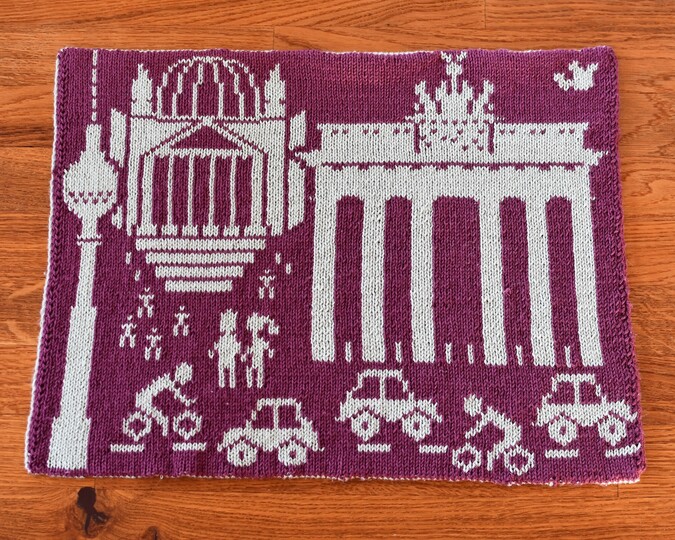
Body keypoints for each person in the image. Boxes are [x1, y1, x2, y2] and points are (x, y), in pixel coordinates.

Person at [134, 362, 195, 437]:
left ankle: (161, 434)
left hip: (145, 400)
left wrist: (185, 400)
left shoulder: (170, 381)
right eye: (185, 378)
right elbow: (177, 394)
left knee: (161, 417)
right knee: (163, 419)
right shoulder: (168, 380)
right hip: (144, 401)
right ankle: (164, 435)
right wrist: (186, 401)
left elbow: (176, 393)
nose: (184, 382)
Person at [463, 394, 522, 471]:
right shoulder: (486, 412)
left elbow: (480, 426)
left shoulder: (488, 412)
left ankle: (491, 465)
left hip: (512, 432)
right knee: (497, 448)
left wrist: (470, 433)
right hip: (511, 431)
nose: (472, 413)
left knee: (495, 450)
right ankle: (492, 463)